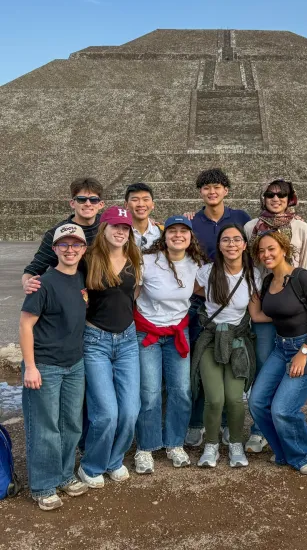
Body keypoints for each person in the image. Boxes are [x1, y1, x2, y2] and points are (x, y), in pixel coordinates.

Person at [19, 224, 89, 510]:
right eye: (64, 245)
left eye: (75, 245)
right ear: (55, 249)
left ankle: (63, 475)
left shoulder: (81, 278)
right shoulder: (43, 282)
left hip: (74, 364)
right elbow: (25, 324)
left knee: (70, 424)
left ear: (83, 250)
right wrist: (30, 367)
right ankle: (43, 485)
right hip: (46, 365)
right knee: (45, 427)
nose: (70, 250)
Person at [248, 231, 307, 475]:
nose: (266, 254)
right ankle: (284, 450)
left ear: (283, 249)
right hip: (281, 348)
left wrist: (303, 352)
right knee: (257, 402)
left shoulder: (301, 278)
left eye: (271, 248)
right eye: (261, 251)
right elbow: (266, 315)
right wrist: (252, 305)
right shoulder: (266, 282)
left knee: (283, 409)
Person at [243, 178, 307, 453]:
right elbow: (249, 268)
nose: (275, 198)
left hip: (293, 306)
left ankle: (283, 419)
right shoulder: (251, 227)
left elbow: (304, 267)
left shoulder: (301, 227)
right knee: (264, 365)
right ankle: (260, 429)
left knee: (290, 365)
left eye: (281, 194)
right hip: (264, 303)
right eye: (270, 194)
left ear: (290, 197)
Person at [133, 216, 206, 474]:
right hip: (147, 333)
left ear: (190, 237)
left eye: (183, 231)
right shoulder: (147, 260)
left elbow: (207, 289)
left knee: (181, 390)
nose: (177, 235)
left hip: (177, 332)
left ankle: (174, 442)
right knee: (150, 392)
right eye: (172, 231)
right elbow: (133, 292)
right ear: (164, 236)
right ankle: (146, 445)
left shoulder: (196, 264)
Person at [185, 168, 251, 448]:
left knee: (231, 363)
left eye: (217, 187)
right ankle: (198, 422)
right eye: (206, 188)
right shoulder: (192, 221)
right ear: (200, 192)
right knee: (202, 363)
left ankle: (226, 424)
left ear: (226, 190)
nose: (212, 192)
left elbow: (257, 243)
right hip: (203, 303)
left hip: (236, 299)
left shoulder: (241, 219)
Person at [77, 206, 142, 488]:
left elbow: (134, 291)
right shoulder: (88, 259)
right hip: (96, 341)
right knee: (106, 412)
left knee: (129, 410)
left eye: (125, 228)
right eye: (115, 226)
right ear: (103, 229)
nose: (120, 231)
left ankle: (114, 460)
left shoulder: (134, 258)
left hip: (127, 340)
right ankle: (91, 464)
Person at [191, 224, 260, 468]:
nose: (231, 244)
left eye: (236, 239)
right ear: (219, 245)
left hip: (237, 342)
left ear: (244, 244)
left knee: (234, 398)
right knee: (215, 399)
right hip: (210, 340)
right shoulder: (206, 272)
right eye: (226, 240)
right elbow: (195, 291)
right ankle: (211, 444)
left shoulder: (253, 275)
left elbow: (256, 313)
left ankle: (235, 444)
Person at [21, 177, 104, 292]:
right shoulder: (56, 234)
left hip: (104, 296)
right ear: (72, 203)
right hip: (70, 295)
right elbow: (33, 270)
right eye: (81, 199)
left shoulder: (108, 227)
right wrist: (27, 283)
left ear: (101, 204)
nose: (88, 204)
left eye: (93, 199)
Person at [124, 182, 164, 249]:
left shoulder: (162, 232)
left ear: (153, 205)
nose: (141, 204)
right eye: (135, 200)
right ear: (126, 205)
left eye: (146, 199)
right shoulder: (119, 233)